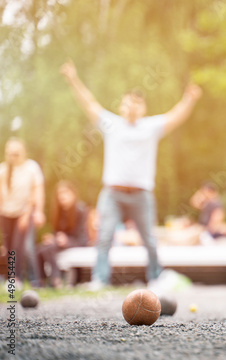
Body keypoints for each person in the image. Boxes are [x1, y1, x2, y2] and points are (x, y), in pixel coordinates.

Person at [60, 59, 202, 288]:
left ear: (143, 108)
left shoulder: (151, 127)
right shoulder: (111, 124)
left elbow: (176, 116)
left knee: (149, 240)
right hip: (113, 193)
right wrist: (72, 78)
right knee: (104, 237)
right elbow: (89, 103)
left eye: (137, 104)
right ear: (121, 106)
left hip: (141, 194)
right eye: (127, 103)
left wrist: (189, 99)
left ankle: (155, 278)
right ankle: (100, 279)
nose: (132, 107)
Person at [0, 138, 45, 286]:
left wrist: (38, 211)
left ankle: (32, 280)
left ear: (23, 152)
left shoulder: (31, 167)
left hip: (25, 212)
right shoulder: (3, 169)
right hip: (6, 213)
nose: (13, 157)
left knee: (23, 247)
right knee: (9, 247)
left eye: (16, 153)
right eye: (10, 154)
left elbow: (37, 191)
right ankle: (14, 278)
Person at [37, 181, 88, 288]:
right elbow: (57, 233)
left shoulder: (80, 210)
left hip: (78, 242)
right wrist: (53, 238)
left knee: (48, 249)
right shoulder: (59, 211)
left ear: (73, 194)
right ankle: (41, 281)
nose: (62, 197)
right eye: (60, 194)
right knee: (40, 249)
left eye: (65, 193)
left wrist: (67, 240)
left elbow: (81, 236)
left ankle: (56, 279)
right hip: (61, 243)